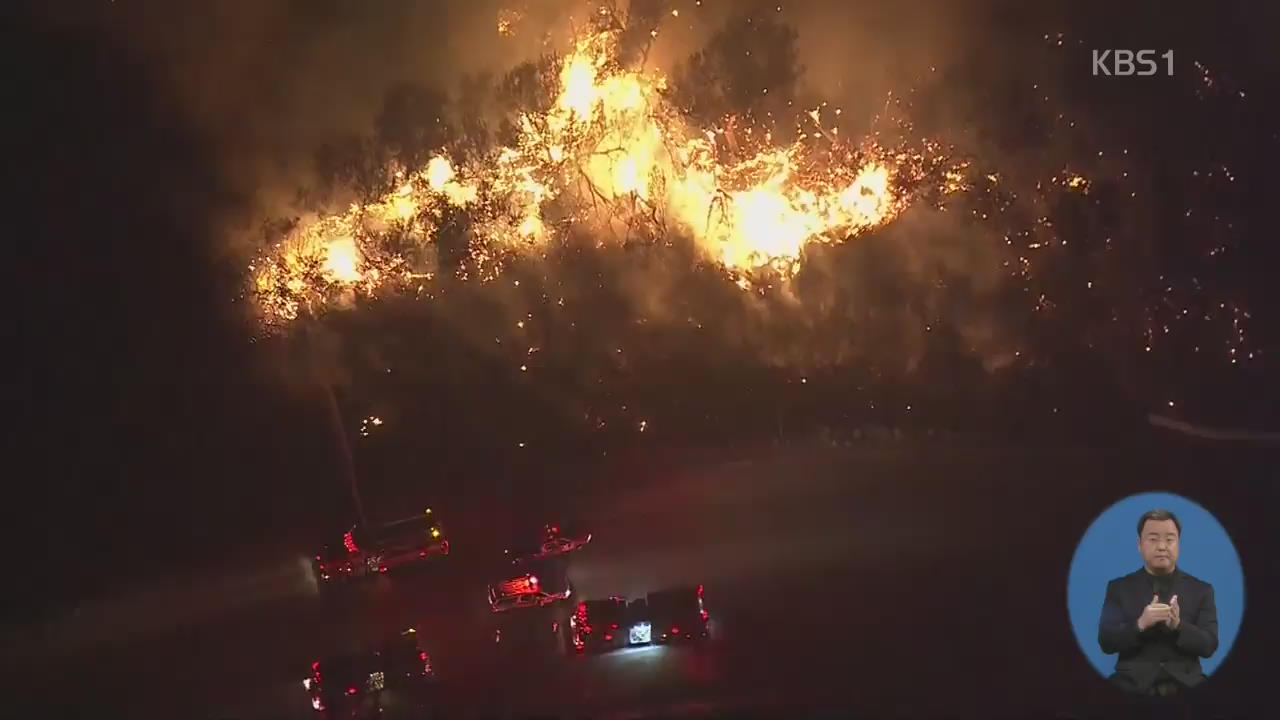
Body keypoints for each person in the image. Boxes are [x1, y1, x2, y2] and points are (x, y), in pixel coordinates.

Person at [1097, 509, 1219, 696]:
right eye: (1153, 539)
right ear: (1139, 544)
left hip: (1187, 684)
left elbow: (1209, 645)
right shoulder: (1118, 588)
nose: (1162, 546)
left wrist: (1178, 626)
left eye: (1170, 539)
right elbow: (1106, 642)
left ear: (1178, 543)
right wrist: (1140, 624)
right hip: (1131, 685)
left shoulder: (1202, 590)